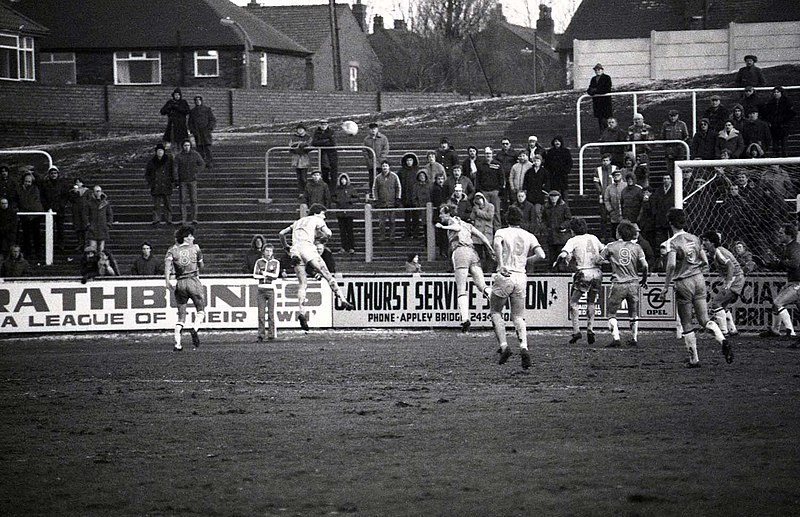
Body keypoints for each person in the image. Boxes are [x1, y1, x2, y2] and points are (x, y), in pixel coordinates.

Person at [660, 208, 731, 367]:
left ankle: (694, 359)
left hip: (683, 281)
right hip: (698, 279)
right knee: (704, 319)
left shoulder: (672, 242)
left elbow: (671, 264)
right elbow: (705, 261)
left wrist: (666, 286)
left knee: (686, 321)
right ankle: (723, 340)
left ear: (670, 223)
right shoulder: (695, 238)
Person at [278, 203, 354, 331]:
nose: (324, 217)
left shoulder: (298, 221)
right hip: (308, 248)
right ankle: (342, 298)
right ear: (317, 212)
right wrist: (323, 238)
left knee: (302, 284)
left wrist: (287, 248)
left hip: (295, 250)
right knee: (327, 274)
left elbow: (281, 234)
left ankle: (302, 313)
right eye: (324, 214)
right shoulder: (316, 219)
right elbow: (329, 233)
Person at [492, 206, 546, 369]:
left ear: (507, 219)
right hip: (521, 276)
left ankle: (504, 346)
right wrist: (525, 261)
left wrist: (501, 264)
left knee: (495, 312)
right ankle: (524, 347)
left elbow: (496, 244)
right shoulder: (529, 235)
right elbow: (541, 255)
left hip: (506, 275)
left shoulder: (502, 232)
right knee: (518, 316)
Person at [435, 204, 494, 333]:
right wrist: (490, 248)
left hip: (460, 251)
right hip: (473, 253)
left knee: (461, 288)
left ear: (448, 214)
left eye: (441, 213)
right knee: (481, 285)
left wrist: (443, 227)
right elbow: (483, 237)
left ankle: (465, 319)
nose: (440, 216)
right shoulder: (468, 224)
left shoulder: (452, 221)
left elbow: (457, 228)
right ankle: (494, 302)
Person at [554, 217, 604, 344]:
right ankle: (590, 328)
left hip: (584, 272)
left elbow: (564, 254)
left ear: (572, 230)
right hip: (597, 272)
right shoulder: (593, 238)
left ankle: (576, 331)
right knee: (591, 302)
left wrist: (558, 261)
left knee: (574, 302)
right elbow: (604, 251)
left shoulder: (573, 240)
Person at [599, 220, 649, 347]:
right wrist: (644, 279)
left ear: (619, 233)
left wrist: (611, 261)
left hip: (618, 283)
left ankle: (616, 338)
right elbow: (645, 266)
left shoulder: (610, 246)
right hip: (633, 283)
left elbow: (598, 260)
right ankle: (634, 338)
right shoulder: (637, 247)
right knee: (633, 312)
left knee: (611, 312)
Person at [165, 225, 205, 351]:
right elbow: (202, 265)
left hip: (180, 282)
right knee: (200, 309)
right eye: (191, 236)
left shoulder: (172, 250)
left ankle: (177, 344)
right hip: (193, 280)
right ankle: (194, 329)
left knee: (181, 316)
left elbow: (166, 266)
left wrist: (167, 281)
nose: (193, 238)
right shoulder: (196, 248)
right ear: (186, 238)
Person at [700, 230, 743, 340]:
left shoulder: (719, 251)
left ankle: (723, 331)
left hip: (735, 279)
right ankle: (732, 329)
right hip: (736, 278)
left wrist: (728, 283)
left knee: (716, 303)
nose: (704, 243)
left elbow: (730, 266)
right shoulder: (715, 252)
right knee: (722, 305)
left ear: (712, 242)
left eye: (706, 240)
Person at [759, 223, 800, 340]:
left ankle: (791, 332)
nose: (779, 235)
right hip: (793, 282)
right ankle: (775, 330)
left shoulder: (794, 248)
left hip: (797, 283)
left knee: (778, 303)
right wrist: (768, 265)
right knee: (775, 305)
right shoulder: (788, 247)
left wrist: (779, 263)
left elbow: (794, 264)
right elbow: (785, 265)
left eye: (781, 233)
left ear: (789, 235)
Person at [253, 242, 281, 342]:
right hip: (261, 289)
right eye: (267, 251)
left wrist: (264, 273)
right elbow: (255, 275)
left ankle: (271, 335)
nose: (268, 253)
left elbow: (276, 275)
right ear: (263, 252)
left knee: (271, 313)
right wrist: (266, 275)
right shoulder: (259, 262)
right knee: (260, 314)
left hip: (271, 289)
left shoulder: (276, 262)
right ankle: (261, 335)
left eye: (270, 251)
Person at [173, 139, 204, 225]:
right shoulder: (178, 156)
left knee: (193, 200)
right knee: (182, 200)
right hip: (182, 181)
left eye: (188, 145)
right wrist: (176, 179)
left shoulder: (195, 154)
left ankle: (194, 218)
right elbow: (175, 168)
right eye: (185, 145)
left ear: (190, 146)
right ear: (182, 147)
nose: (187, 147)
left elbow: (201, 164)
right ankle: (183, 218)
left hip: (192, 180)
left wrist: (196, 172)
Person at [760, 86, 796, 157]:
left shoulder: (787, 102)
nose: (776, 94)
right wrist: (771, 121)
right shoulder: (771, 103)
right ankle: (775, 157)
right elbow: (766, 113)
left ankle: (785, 157)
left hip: (783, 126)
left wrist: (784, 120)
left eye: (777, 92)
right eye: (774, 92)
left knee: (784, 144)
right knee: (775, 144)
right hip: (774, 126)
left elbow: (791, 113)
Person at [39, 166, 69, 250]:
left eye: (55, 173)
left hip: (60, 209)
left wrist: (61, 205)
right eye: (52, 173)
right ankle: (49, 244)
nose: (53, 175)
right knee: (49, 228)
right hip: (49, 209)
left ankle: (61, 244)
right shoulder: (45, 185)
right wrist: (47, 207)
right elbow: (42, 197)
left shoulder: (62, 184)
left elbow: (65, 195)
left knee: (60, 228)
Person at [144, 143, 174, 225]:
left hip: (166, 185)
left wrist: (172, 180)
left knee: (167, 204)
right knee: (156, 204)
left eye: (161, 151)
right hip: (156, 185)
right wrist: (151, 182)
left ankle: (169, 219)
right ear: (156, 152)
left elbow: (172, 172)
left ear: (164, 152)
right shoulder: (151, 162)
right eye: (158, 151)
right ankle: (156, 219)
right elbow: (147, 174)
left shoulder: (169, 161)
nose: (160, 152)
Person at [372, 160, 401, 242]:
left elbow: (398, 187)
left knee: (392, 221)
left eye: (386, 166)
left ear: (389, 167)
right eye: (383, 166)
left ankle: (392, 237)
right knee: (381, 222)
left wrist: (397, 198)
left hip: (391, 203)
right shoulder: (377, 178)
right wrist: (376, 199)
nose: (385, 168)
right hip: (381, 203)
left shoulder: (394, 176)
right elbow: (374, 189)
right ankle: (382, 236)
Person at [16, 172, 43, 260]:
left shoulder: (35, 189)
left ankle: (38, 252)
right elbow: (20, 201)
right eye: (26, 181)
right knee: (26, 235)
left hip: (35, 215)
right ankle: (28, 252)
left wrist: (33, 172)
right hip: (25, 216)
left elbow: (34, 201)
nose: (28, 183)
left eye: (29, 181)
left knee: (36, 235)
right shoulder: (19, 189)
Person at [474, 147, 503, 228]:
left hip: (495, 192)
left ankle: (497, 230)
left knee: (496, 212)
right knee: (485, 211)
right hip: (484, 192)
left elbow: (501, 178)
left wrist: (499, 190)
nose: (488, 155)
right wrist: (479, 190)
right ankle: (487, 229)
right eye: (486, 153)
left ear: (492, 154)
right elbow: (478, 179)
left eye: (489, 153)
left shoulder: (497, 164)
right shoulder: (480, 165)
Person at [542, 190, 571, 265]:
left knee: (561, 254)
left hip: (561, 234)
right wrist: (546, 228)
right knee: (551, 254)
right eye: (551, 196)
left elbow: (568, 219)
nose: (553, 198)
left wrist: (563, 226)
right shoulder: (546, 207)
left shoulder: (564, 207)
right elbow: (543, 219)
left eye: (555, 196)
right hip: (551, 234)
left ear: (559, 197)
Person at [332, 173, 358, 254]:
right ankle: (344, 247)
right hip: (340, 212)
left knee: (349, 231)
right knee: (342, 231)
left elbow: (357, 197)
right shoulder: (337, 189)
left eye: (344, 179)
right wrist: (337, 201)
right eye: (342, 179)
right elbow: (333, 197)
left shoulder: (351, 188)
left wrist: (350, 201)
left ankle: (351, 247)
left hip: (349, 212)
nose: (343, 181)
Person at [188, 95, 216, 169]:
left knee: (207, 148)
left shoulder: (207, 109)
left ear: (201, 101)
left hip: (206, 132)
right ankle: (201, 162)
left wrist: (209, 128)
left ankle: (209, 162)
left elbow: (212, 120)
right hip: (197, 132)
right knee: (199, 148)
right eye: (196, 100)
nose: (198, 101)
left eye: (199, 100)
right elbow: (190, 122)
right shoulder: (192, 111)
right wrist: (193, 131)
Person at [470, 192, 496, 271]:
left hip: (487, 233)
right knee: (478, 254)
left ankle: (489, 270)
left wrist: (478, 211)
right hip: (477, 235)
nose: (479, 201)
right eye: (477, 199)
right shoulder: (475, 208)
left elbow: (489, 216)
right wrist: (475, 209)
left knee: (488, 253)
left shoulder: (490, 206)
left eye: (480, 198)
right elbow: (472, 217)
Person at [84, 184, 113, 253]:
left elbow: (110, 214)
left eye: (99, 191)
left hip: (102, 228)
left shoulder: (105, 203)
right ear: (93, 192)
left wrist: (108, 224)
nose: (98, 193)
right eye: (96, 191)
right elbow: (85, 215)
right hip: (92, 228)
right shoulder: (89, 203)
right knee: (92, 249)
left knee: (101, 249)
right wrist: (88, 224)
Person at [399, 152, 420, 236]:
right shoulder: (401, 172)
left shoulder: (417, 171)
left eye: (411, 160)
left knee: (416, 216)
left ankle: (416, 232)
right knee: (407, 216)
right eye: (407, 160)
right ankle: (407, 231)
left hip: (415, 197)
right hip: (405, 196)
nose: (409, 162)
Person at [363, 122, 389, 191]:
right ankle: (372, 192)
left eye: (374, 129)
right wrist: (369, 160)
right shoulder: (366, 140)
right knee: (372, 179)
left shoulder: (383, 138)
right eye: (371, 129)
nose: (373, 130)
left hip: (381, 163)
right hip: (371, 163)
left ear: (377, 129)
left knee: (382, 178)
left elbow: (385, 148)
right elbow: (365, 151)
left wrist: (381, 159)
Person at [587, 63, 612, 131]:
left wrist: (595, 90)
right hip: (597, 103)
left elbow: (606, 89)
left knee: (607, 120)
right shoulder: (593, 79)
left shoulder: (607, 78)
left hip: (605, 103)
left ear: (602, 70)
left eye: (599, 69)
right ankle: (602, 135)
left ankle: (608, 135)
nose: (597, 71)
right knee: (600, 120)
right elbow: (589, 90)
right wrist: (593, 91)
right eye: (596, 70)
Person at [311, 119, 338, 185]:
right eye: (322, 124)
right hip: (323, 154)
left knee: (333, 174)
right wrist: (325, 141)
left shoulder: (331, 132)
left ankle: (333, 191)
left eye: (325, 124)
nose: (323, 126)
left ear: (327, 125)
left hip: (332, 154)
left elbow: (333, 142)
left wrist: (321, 141)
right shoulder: (317, 132)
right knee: (324, 173)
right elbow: (314, 143)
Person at [68, 177, 90, 251]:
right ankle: (80, 243)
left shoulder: (87, 191)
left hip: (85, 211)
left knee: (85, 227)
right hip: (76, 211)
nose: (78, 183)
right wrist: (75, 193)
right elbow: (71, 200)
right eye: (76, 182)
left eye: (79, 182)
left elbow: (89, 200)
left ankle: (86, 243)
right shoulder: (72, 191)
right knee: (78, 227)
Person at [289, 124, 312, 196]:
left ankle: (306, 191)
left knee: (303, 177)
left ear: (304, 130)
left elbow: (308, 147)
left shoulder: (308, 137)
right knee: (299, 177)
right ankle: (301, 192)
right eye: (299, 129)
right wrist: (299, 145)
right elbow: (290, 147)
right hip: (296, 159)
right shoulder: (294, 137)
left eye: (301, 129)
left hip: (304, 159)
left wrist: (299, 146)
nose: (300, 130)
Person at [409, 170, 431, 241]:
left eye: (423, 176)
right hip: (420, 207)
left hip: (429, 207)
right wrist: (417, 205)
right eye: (420, 176)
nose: (422, 177)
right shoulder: (416, 186)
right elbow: (414, 197)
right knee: (423, 223)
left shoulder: (430, 185)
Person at [603, 169, 625, 240]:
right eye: (614, 175)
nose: (616, 177)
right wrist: (610, 209)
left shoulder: (625, 185)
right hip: (614, 212)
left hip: (624, 212)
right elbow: (606, 199)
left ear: (621, 176)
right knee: (614, 229)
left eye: (618, 175)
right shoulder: (609, 188)